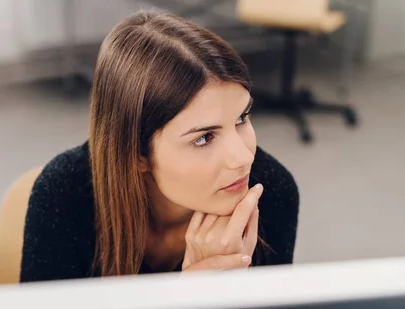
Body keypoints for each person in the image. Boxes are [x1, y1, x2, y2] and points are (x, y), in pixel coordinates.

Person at [20, 9, 299, 282]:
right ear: (136, 153)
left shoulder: (272, 191)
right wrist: (189, 296)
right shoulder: (65, 196)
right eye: (203, 138)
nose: (242, 158)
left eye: (242, 118)